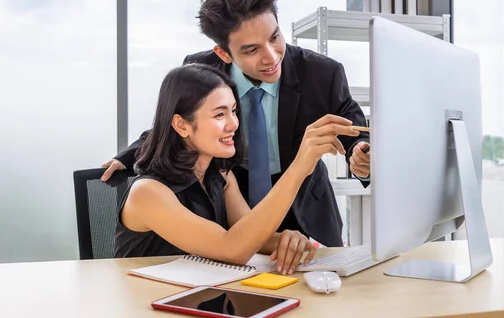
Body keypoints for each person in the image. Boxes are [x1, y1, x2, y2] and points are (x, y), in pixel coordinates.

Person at [104, 0, 370, 247]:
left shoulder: (321, 72)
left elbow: (354, 129)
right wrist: (131, 155)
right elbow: (179, 119)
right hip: (236, 210)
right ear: (224, 53)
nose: (271, 56)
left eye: (275, 37)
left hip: (302, 207)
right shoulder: (202, 70)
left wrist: (361, 153)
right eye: (252, 50)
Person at [114, 64, 359, 276]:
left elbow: (249, 233)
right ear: (181, 124)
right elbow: (232, 249)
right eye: (219, 114)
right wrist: (299, 167)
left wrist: (286, 239)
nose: (233, 124)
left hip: (199, 301)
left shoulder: (220, 174)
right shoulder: (147, 193)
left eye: (233, 110)